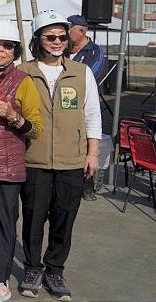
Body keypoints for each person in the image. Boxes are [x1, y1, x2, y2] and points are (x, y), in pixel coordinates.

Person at [17, 10, 100, 301]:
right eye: (50, 37)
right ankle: (32, 268)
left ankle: (55, 270)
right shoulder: (23, 72)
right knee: (33, 218)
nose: (57, 42)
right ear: (37, 39)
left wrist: (92, 153)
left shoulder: (81, 72)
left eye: (62, 37)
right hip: (34, 160)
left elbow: (92, 114)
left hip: (72, 160)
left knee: (64, 219)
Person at [0, 20, 43, 302]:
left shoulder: (23, 81)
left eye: (7, 46)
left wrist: (14, 117)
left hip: (5, 166)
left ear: (15, 51)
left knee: (1, 227)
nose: (0, 50)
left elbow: (36, 129)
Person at [67, 14, 108, 200]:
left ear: (81, 31)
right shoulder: (64, 49)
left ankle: (87, 186)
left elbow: (91, 76)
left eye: (70, 30)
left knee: (86, 143)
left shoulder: (95, 51)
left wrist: (68, 81)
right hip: (65, 104)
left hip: (84, 105)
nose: (67, 33)